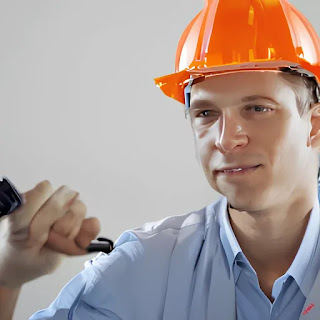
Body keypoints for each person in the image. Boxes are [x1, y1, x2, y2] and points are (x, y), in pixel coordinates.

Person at [2, 0, 320, 319]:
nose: (225, 139)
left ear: (314, 126)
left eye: (257, 108)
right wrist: (5, 279)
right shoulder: (144, 267)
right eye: (206, 113)